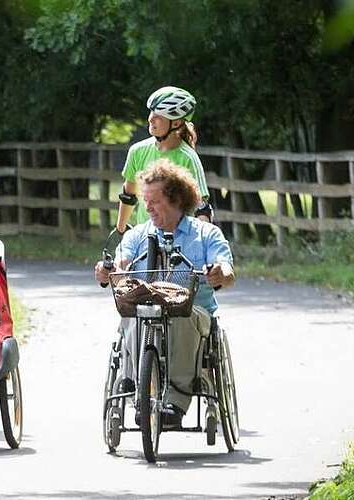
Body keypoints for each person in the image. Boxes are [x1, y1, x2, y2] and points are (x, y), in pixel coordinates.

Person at [94, 161, 236, 427]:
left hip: (193, 312)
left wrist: (220, 273)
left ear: (176, 199)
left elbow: (227, 269)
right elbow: (121, 263)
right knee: (132, 313)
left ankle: (176, 400)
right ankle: (140, 392)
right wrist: (107, 270)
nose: (146, 208)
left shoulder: (206, 234)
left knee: (180, 314)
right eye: (144, 201)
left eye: (154, 201)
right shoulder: (138, 235)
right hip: (147, 308)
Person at [113, 86, 213, 237]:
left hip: (178, 239)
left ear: (176, 123)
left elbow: (202, 208)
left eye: (159, 116)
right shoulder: (137, 151)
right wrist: (120, 230)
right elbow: (128, 195)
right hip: (145, 237)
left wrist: (205, 243)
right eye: (151, 112)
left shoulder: (188, 158)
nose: (151, 119)